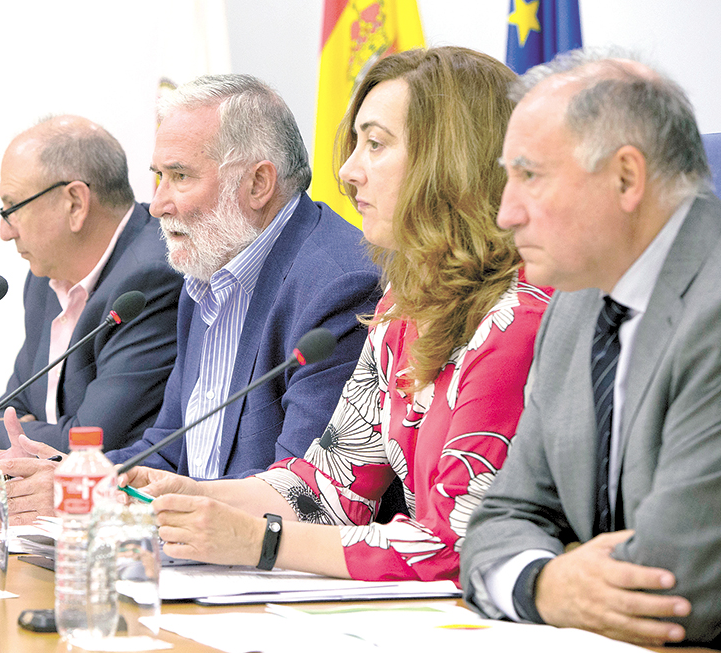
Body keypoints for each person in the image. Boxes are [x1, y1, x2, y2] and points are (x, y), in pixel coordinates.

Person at [120, 47, 550, 584]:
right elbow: (327, 488)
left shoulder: (516, 317)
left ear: (449, 161)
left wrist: (258, 540)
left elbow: (456, 545)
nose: (347, 172)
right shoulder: (403, 308)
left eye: (375, 144)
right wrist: (194, 497)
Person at [0, 74, 381, 525]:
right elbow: (169, 451)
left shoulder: (338, 285)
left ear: (258, 184)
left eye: (180, 176)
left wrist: (97, 496)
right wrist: (68, 476)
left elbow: (302, 497)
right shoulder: (205, 275)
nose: (157, 204)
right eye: (159, 177)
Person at [459, 49, 721, 648]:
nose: (505, 213)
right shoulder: (575, 307)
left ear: (626, 178)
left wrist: (552, 574)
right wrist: (545, 584)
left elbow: (677, 585)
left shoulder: (713, 306)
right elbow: (498, 520)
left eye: (530, 176)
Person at [0, 116, 183, 453]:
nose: (5, 231)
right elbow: (11, 411)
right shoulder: (46, 278)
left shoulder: (150, 281)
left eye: (13, 208)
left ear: (75, 203)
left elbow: (91, 445)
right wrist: (19, 432)